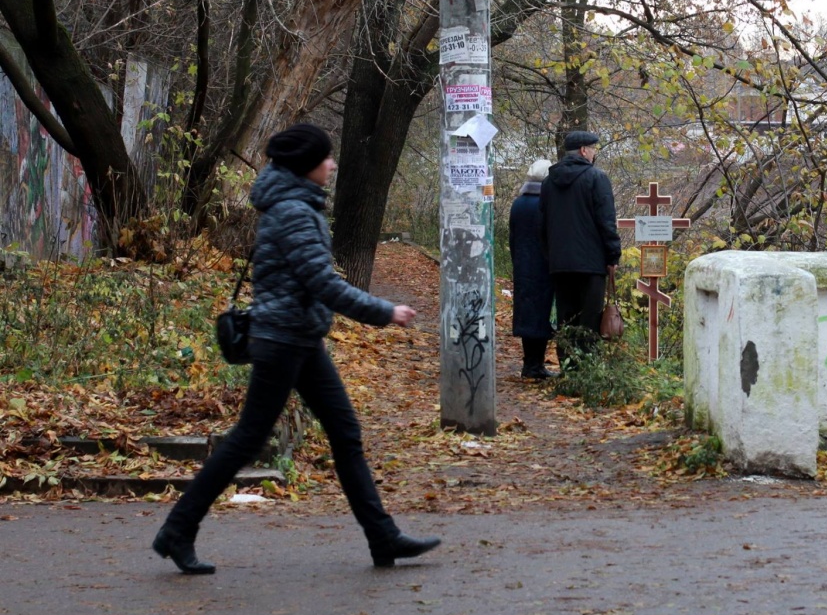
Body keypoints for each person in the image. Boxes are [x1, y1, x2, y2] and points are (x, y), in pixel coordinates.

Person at [152, 123, 440, 574]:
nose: (332, 164)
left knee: (344, 433)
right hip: (283, 340)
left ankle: (383, 537)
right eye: (326, 157)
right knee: (248, 440)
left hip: (298, 338)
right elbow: (322, 283)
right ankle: (176, 530)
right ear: (306, 165)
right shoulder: (292, 212)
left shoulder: (295, 204)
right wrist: (384, 311)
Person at [538, 131, 621, 362]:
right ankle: (587, 369)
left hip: (560, 264)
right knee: (590, 321)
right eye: (593, 149)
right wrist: (613, 256)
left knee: (566, 318)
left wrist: (551, 256)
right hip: (591, 264)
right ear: (584, 150)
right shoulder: (597, 178)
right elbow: (606, 221)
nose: (594, 153)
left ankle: (568, 368)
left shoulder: (548, 182)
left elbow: (542, 225)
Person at [509, 159, 557, 379]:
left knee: (527, 314)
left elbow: (513, 237)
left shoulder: (518, 204)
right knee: (542, 315)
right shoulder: (546, 204)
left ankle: (529, 363)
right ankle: (535, 366)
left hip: (523, 266)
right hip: (543, 266)